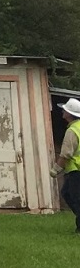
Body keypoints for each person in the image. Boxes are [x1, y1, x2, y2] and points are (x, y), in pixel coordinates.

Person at [51, 98, 80, 234]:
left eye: (65, 110)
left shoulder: (72, 131)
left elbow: (66, 154)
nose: (62, 111)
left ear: (69, 113)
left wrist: (55, 170)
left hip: (75, 170)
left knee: (74, 197)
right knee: (68, 194)